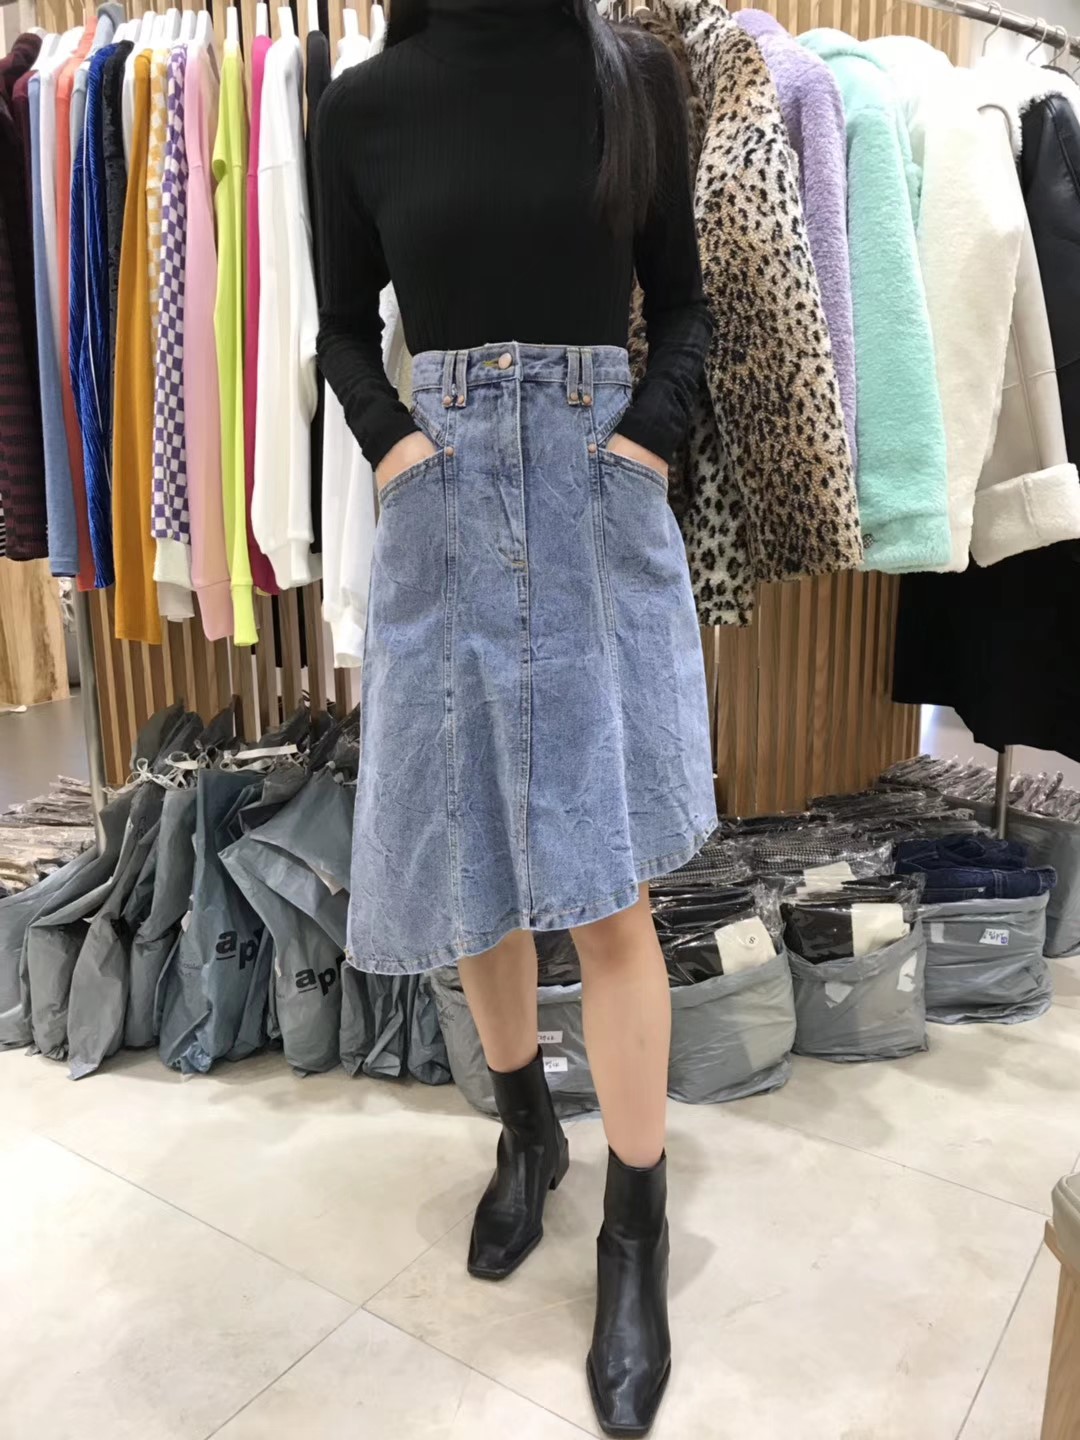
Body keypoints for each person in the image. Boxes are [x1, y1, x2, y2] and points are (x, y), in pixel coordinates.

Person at [313, 2, 715, 1433]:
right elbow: (340, 333)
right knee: (473, 861)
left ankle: (634, 1233)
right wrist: (398, 449)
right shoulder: (364, 105)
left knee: (608, 890)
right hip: (443, 502)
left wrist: (643, 440)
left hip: (598, 499)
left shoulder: (634, 78)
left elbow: (687, 306)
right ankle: (527, 1132)